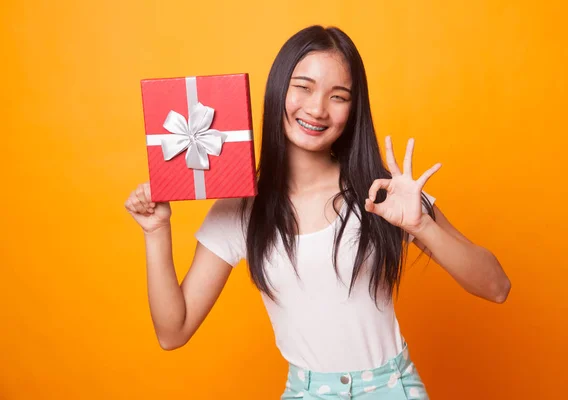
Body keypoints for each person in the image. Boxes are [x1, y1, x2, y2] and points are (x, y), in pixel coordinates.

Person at [125, 25, 511, 399]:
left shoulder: (384, 193)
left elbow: (496, 287)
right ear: (278, 91)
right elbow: (172, 332)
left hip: (392, 389)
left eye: (338, 96)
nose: (317, 109)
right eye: (303, 88)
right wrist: (156, 231)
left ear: (353, 109)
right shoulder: (241, 207)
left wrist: (422, 225)